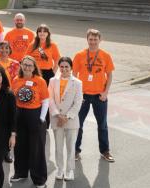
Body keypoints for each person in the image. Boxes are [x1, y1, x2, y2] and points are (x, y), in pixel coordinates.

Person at [73, 29, 115, 162]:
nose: (93, 42)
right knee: (78, 124)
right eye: (90, 39)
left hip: (99, 96)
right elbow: (74, 75)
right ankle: (75, 151)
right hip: (83, 95)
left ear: (100, 40)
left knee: (102, 125)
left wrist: (105, 92)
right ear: (87, 40)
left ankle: (105, 151)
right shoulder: (79, 55)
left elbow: (109, 75)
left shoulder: (105, 55)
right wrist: (77, 93)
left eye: (95, 40)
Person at [10, 56, 49, 188]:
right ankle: (21, 172)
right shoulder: (16, 80)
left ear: (34, 67)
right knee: (20, 147)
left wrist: (42, 118)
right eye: (25, 65)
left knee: (36, 148)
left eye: (30, 65)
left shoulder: (40, 81)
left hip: (35, 115)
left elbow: (45, 101)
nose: (27, 67)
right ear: (21, 65)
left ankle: (39, 179)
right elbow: (12, 99)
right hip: (19, 115)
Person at [47, 57, 83, 181]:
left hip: (71, 121)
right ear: (59, 67)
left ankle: (69, 170)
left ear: (71, 68)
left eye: (66, 66)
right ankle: (60, 169)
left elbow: (78, 102)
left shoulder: (77, 82)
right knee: (58, 147)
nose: (64, 69)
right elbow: (50, 99)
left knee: (70, 147)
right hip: (57, 119)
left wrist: (66, 117)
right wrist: (57, 115)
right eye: (61, 66)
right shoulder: (52, 81)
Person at [27, 24, 61, 129]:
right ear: (37, 33)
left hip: (47, 73)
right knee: (34, 96)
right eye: (40, 31)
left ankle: (45, 123)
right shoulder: (32, 45)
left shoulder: (52, 45)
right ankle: (33, 118)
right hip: (35, 73)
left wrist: (53, 71)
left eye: (44, 31)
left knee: (46, 98)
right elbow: (27, 58)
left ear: (48, 34)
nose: (42, 33)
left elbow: (57, 59)